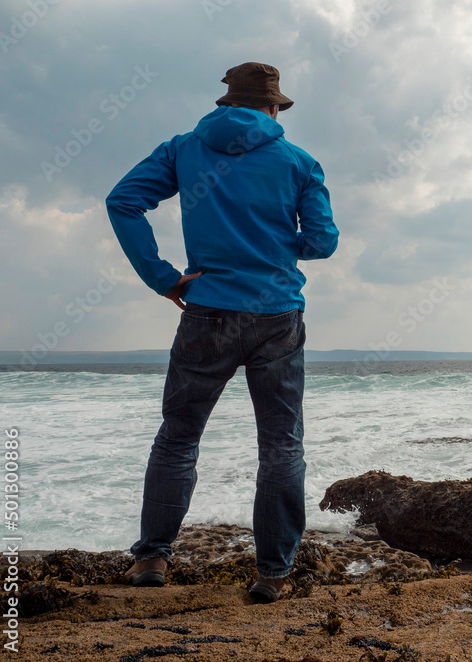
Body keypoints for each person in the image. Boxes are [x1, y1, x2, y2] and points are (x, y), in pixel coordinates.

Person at [105, 62, 338, 603]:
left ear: (226, 103)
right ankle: (273, 574)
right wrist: (278, 246)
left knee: (178, 438)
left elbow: (123, 201)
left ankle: (152, 558)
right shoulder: (299, 162)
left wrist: (162, 278)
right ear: (274, 107)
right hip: (277, 315)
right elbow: (322, 242)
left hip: (206, 310)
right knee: (280, 445)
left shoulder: (183, 148)